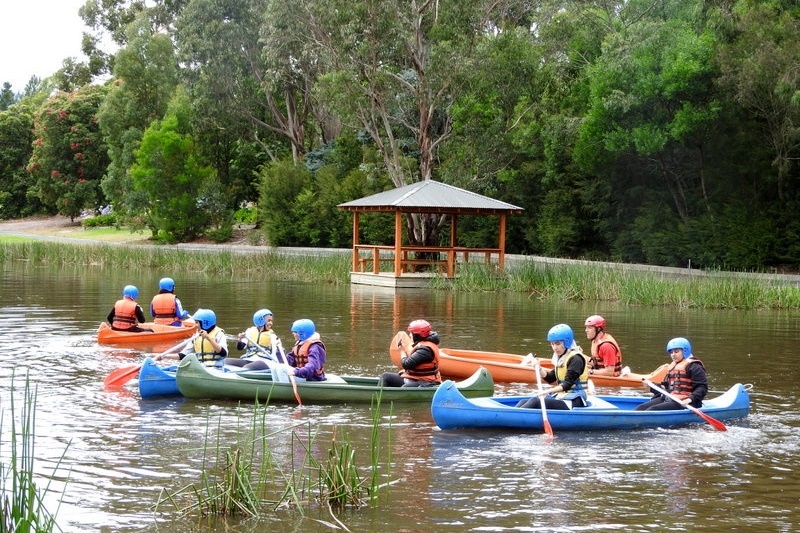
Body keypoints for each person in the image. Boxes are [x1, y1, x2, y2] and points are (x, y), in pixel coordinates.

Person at [516, 324, 590, 410]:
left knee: (535, 401)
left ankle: (512, 418)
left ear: (567, 342)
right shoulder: (562, 357)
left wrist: (547, 391)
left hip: (576, 400)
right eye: (552, 344)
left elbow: (567, 385)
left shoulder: (576, 359)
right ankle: (512, 414)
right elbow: (550, 378)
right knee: (523, 401)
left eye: (557, 344)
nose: (554, 348)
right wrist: (538, 369)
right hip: (564, 396)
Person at [635, 337, 708, 411]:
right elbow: (666, 388)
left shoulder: (694, 366)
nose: (673, 355)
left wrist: (690, 399)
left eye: (676, 352)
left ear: (685, 351)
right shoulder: (673, 366)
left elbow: (702, 387)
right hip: (671, 398)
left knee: (652, 410)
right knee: (640, 408)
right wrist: (651, 386)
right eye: (671, 352)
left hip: (687, 402)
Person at [380, 319, 442, 387]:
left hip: (426, 382)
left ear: (417, 335)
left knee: (404, 388)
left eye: (411, 333)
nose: (410, 335)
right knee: (385, 376)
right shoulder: (422, 344)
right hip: (415, 378)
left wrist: (402, 351)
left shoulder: (425, 350)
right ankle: (379, 396)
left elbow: (406, 364)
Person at [156, 308, 228, 366]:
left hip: (216, 368)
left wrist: (209, 338)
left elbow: (223, 353)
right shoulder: (196, 335)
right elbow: (182, 355)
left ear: (205, 323)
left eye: (197, 322)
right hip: (201, 367)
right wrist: (164, 356)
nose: (195, 325)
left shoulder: (219, 334)